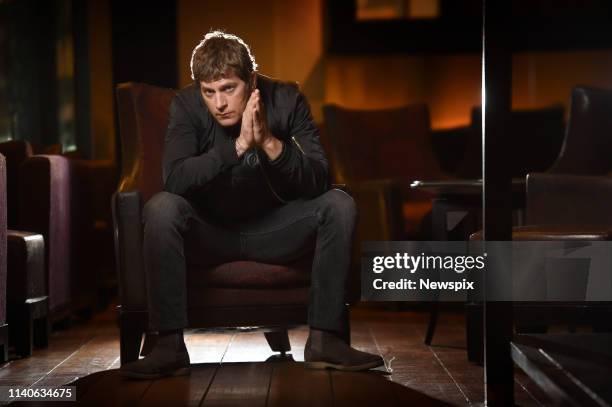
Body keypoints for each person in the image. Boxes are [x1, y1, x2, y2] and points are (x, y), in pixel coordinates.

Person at [120, 30, 384, 379]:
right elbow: (176, 180)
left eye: (229, 88)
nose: (219, 103)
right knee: (161, 206)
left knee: (340, 204)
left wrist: (270, 144)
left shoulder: (287, 99)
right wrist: (238, 147)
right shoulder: (186, 106)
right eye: (209, 92)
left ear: (252, 80)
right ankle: (169, 347)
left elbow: (320, 179)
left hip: (275, 232)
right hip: (209, 235)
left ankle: (325, 341)